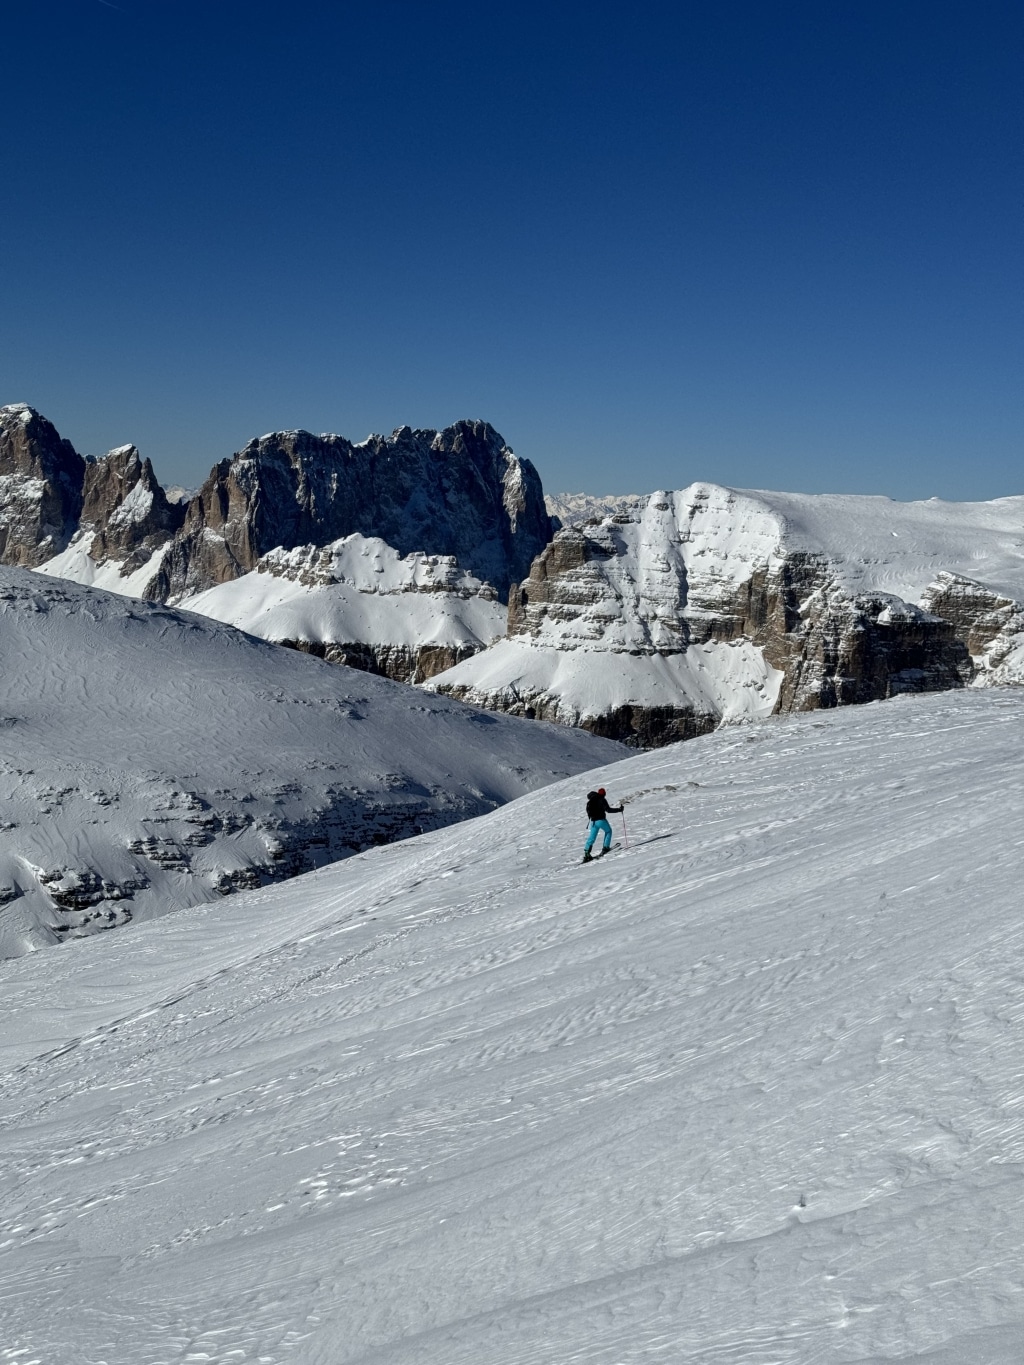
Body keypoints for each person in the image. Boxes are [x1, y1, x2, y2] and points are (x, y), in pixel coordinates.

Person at [582, 787, 623, 862]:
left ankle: (587, 853)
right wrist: (619, 810)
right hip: (601, 820)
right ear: (604, 794)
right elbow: (608, 810)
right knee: (608, 831)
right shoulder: (602, 799)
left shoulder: (590, 801)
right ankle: (606, 847)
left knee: (591, 838)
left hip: (593, 822)